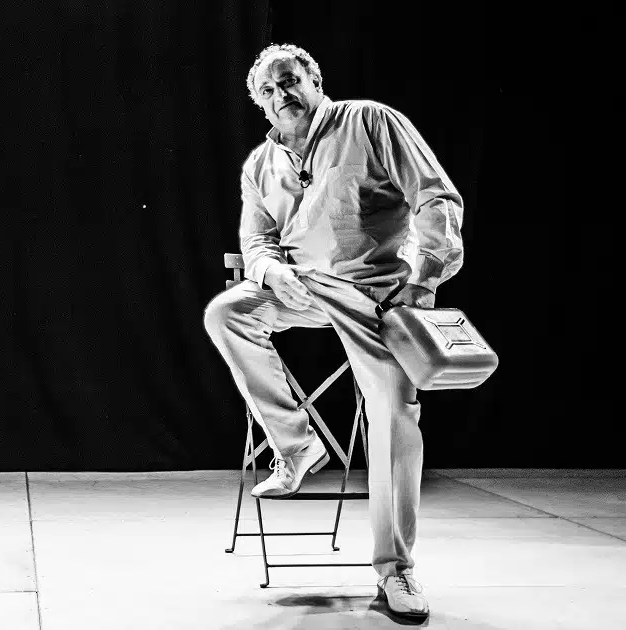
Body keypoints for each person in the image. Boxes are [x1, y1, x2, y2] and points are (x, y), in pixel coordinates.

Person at [203, 43, 464, 620]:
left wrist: (423, 279)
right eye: (268, 91)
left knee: (393, 414)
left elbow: (436, 197)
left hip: (372, 293)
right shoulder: (259, 164)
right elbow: (256, 240)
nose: (281, 95)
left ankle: (395, 571)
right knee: (227, 313)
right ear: (260, 105)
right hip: (298, 287)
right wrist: (270, 271)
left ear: (315, 81)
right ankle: (297, 445)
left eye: (289, 81)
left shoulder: (369, 121)